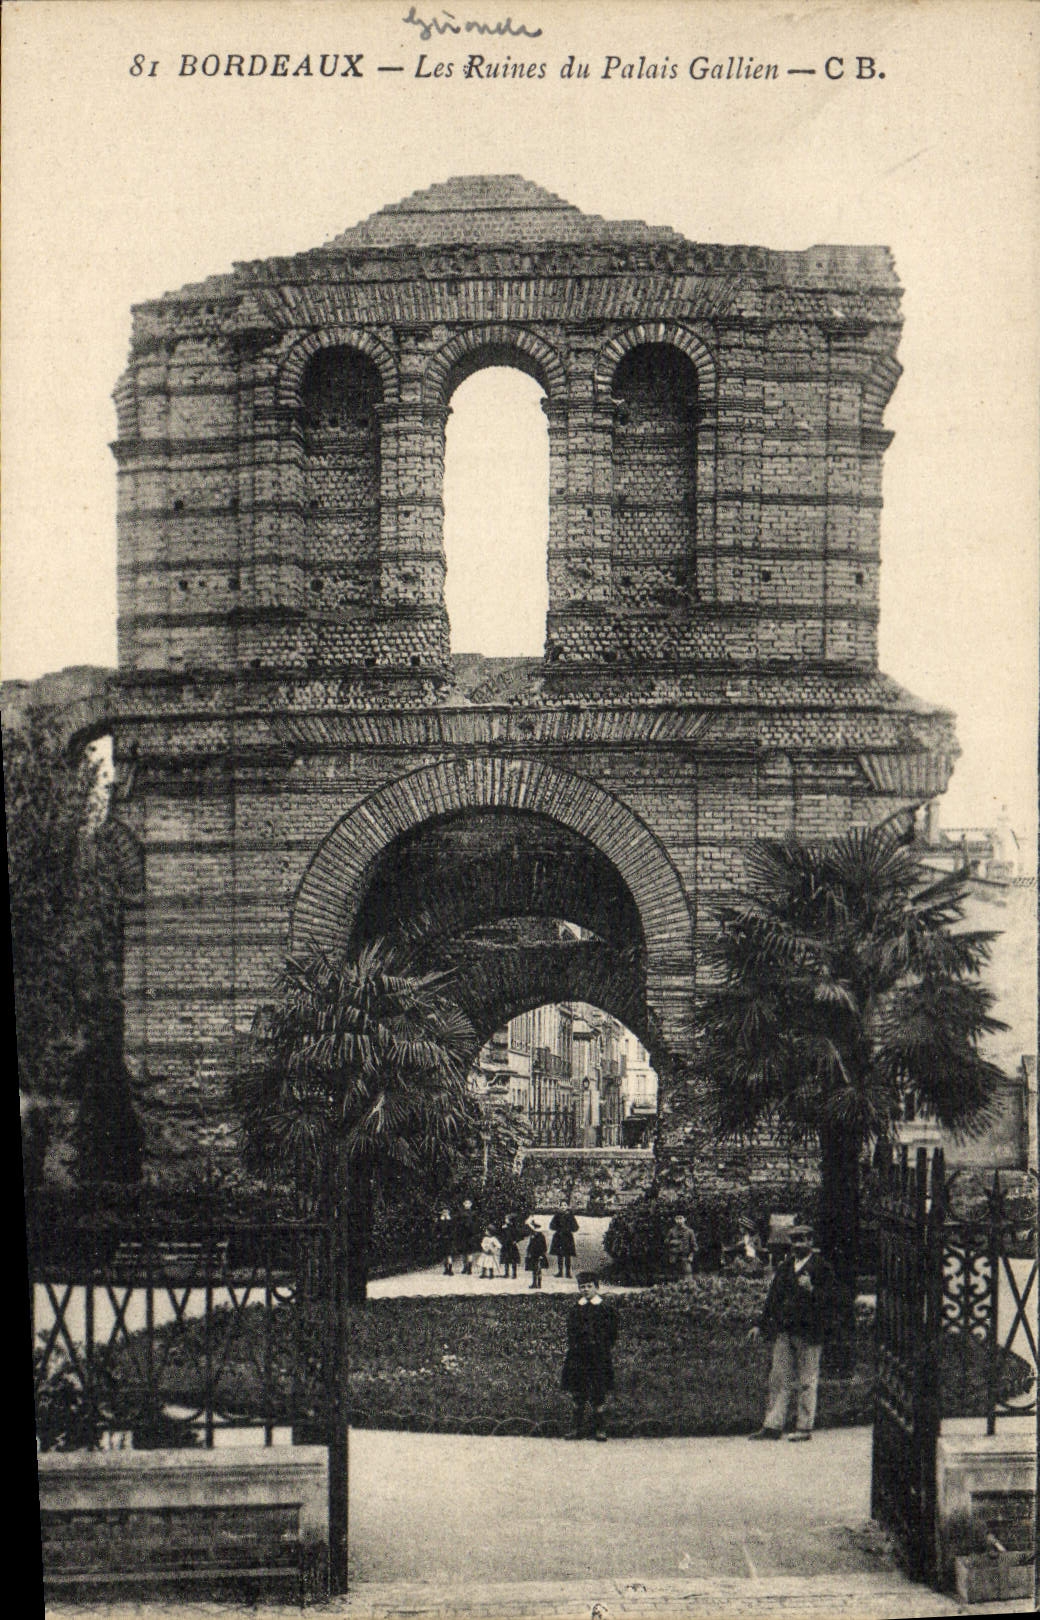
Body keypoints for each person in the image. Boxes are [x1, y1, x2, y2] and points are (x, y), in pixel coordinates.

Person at [747, 1226, 837, 1441]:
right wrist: (760, 1323)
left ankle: (804, 1427)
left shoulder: (822, 1268)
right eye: (794, 1240)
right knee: (779, 1378)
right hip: (786, 1329)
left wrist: (812, 1289)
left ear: (811, 1241)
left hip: (810, 1331)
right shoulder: (786, 1267)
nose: (797, 1245)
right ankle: (772, 1425)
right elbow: (773, 1297)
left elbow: (833, 1300)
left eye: (802, 1240)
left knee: (807, 1379)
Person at [560, 1271, 619, 1440]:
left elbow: (612, 1333)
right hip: (578, 1356)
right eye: (582, 1287)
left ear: (596, 1287)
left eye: (589, 1286)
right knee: (578, 1392)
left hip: (598, 1356)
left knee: (598, 1392)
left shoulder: (605, 1309)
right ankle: (576, 1428)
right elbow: (571, 1331)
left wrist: (602, 1347)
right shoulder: (576, 1309)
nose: (585, 1290)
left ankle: (600, 1428)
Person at [664, 1213, 698, 1279]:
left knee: (687, 1277)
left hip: (685, 1257)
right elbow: (666, 1242)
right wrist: (672, 1242)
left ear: (684, 1219)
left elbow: (694, 1246)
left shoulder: (690, 1231)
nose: (679, 1220)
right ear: (675, 1220)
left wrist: (691, 1256)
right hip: (674, 1258)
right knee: (674, 1278)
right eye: (677, 1218)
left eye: (681, 1218)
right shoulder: (671, 1231)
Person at [549, 1203, 579, 1278]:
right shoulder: (557, 1216)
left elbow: (576, 1227)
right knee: (559, 1255)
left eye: (565, 1205)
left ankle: (568, 1273)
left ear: (567, 1207)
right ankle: (560, 1272)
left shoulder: (570, 1216)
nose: (563, 1207)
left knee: (567, 1256)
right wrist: (558, 1228)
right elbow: (551, 1226)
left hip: (567, 1237)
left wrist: (569, 1229)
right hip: (558, 1237)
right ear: (559, 1207)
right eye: (561, 1205)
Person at [524, 1219, 548, 1289]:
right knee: (535, 1270)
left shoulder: (540, 1236)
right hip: (533, 1255)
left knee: (537, 1270)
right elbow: (530, 1245)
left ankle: (537, 1284)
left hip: (538, 1255)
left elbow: (543, 1247)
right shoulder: (534, 1236)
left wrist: (541, 1254)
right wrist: (528, 1252)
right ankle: (536, 1283)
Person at [498, 1214, 522, 1280]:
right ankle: (506, 1273)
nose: (505, 1220)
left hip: (512, 1246)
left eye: (507, 1219)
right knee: (506, 1260)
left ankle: (514, 1274)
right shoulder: (504, 1228)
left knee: (513, 1260)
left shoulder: (514, 1228)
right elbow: (501, 1236)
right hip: (505, 1245)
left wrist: (516, 1241)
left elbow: (519, 1236)